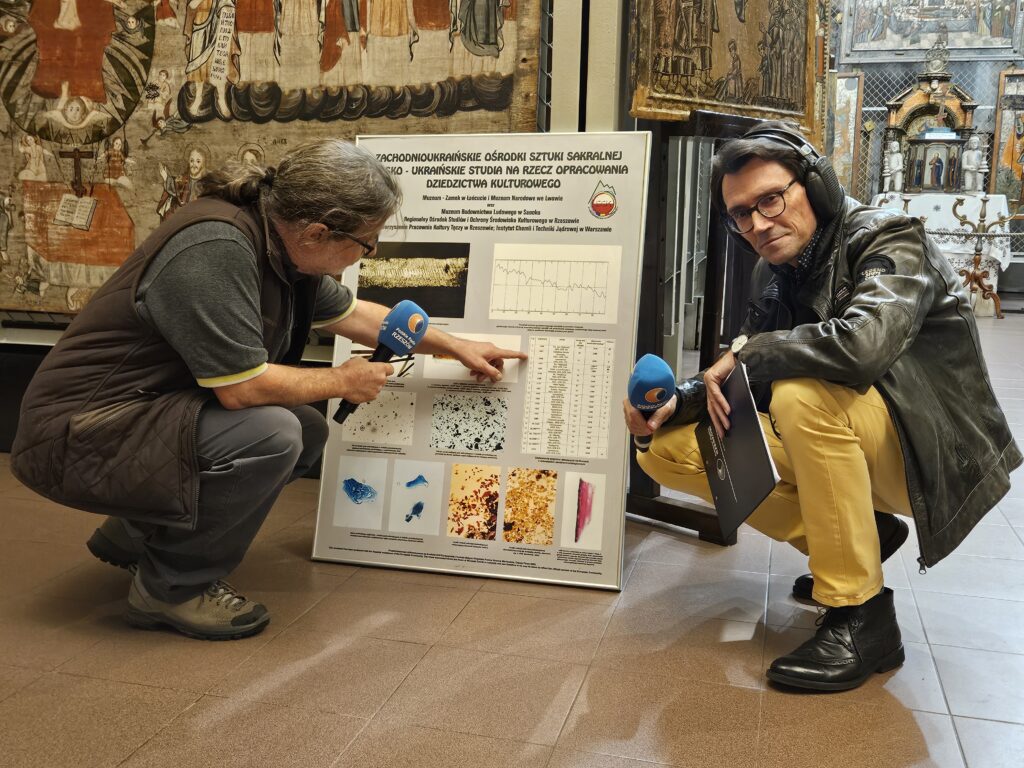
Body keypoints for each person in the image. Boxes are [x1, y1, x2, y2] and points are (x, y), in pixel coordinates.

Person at [10, 139, 526, 641]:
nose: (366, 254)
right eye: (367, 242)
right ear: (319, 231)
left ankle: (133, 532)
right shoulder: (215, 250)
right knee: (273, 433)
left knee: (306, 430)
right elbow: (243, 389)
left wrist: (456, 346)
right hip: (77, 436)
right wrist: (343, 380)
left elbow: (356, 316)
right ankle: (170, 589)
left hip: (141, 417)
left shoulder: (278, 245)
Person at [623, 122, 1021, 692]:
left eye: (771, 199)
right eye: (741, 214)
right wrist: (680, 401)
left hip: (933, 453)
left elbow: (863, 348)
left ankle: (860, 614)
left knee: (802, 394)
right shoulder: (772, 270)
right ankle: (863, 536)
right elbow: (747, 378)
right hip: (850, 439)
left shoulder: (889, 238)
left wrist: (750, 352)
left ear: (817, 186)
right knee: (665, 449)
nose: (759, 224)